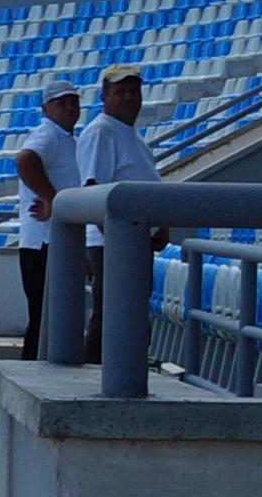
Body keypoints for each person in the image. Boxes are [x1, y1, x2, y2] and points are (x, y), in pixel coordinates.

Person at [64, 67, 159, 366]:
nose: (129, 97)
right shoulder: (102, 132)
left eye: (134, 91)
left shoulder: (131, 136)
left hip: (134, 238)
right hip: (115, 242)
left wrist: (162, 224)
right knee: (113, 316)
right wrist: (115, 236)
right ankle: (97, 377)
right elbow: (94, 190)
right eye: (121, 92)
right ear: (104, 96)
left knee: (126, 315)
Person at [9, 84, 82, 362]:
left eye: (74, 102)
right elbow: (25, 160)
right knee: (44, 314)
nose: (70, 108)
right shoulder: (48, 135)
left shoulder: (65, 139)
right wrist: (52, 198)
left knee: (50, 315)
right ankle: (33, 367)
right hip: (44, 241)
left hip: (54, 240)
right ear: (46, 108)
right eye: (61, 103)